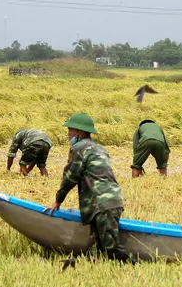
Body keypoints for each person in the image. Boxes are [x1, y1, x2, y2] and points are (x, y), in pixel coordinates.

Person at [43, 112, 134, 263]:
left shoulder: (79, 148)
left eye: (70, 130)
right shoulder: (100, 149)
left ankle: (132, 265)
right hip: (111, 199)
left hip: (101, 202)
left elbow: (70, 176)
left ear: (79, 131)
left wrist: (58, 200)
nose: (68, 134)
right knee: (96, 247)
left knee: (110, 246)